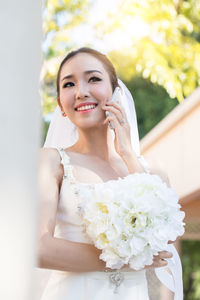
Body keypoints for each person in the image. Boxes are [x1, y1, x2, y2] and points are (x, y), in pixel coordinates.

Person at [37, 47, 183, 300]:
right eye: (69, 84)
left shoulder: (153, 170)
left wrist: (127, 152)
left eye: (93, 79)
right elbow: (39, 248)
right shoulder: (51, 161)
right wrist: (126, 259)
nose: (81, 92)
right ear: (60, 105)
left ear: (116, 93)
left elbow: (165, 247)